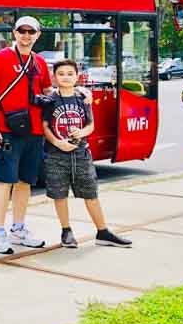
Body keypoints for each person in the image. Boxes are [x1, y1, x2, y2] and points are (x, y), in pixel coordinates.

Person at [39, 59, 132, 248]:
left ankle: (103, 231)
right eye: (61, 74)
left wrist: (82, 133)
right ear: (54, 77)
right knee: (59, 195)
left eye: (70, 74)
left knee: (91, 193)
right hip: (57, 155)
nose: (65, 77)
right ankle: (66, 231)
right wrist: (57, 142)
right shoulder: (49, 100)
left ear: (77, 76)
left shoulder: (83, 98)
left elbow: (91, 125)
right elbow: (45, 126)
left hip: (81, 154)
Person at [0, 16, 51, 254]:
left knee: (25, 182)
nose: (26, 35)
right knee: (3, 181)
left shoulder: (40, 62)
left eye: (32, 31)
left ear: (38, 35)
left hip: (34, 132)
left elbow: (47, 92)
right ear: (14, 33)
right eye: (22, 30)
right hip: (7, 131)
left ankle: (18, 229)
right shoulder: (0, 59)